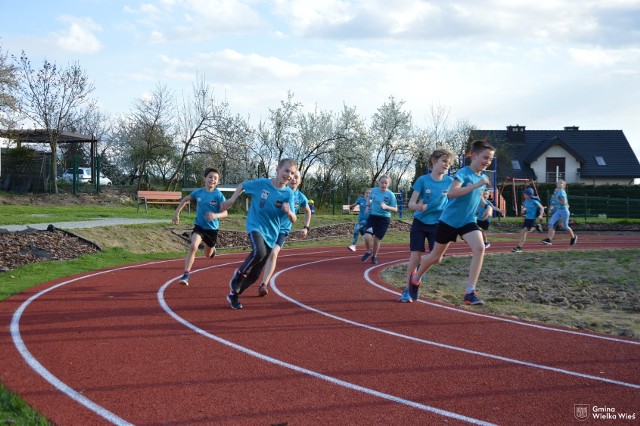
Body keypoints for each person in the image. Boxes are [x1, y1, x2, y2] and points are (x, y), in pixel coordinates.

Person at [408, 139, 496, 305]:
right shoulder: (464, 172)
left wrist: (488, 206)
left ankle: (470, 291)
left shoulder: (483, 178)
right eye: (485, 157)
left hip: (468, 221)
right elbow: (452, 193)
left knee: (480, 247)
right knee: (435, 257)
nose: (487, 162)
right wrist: (475, 185)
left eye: (490, 159)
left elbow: (477, 197)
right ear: (475, 156)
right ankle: (416, 277)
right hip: (448, 221)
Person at [220, 158, 298, 309]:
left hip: (272, 234)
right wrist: (232, 199)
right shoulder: (262, 184)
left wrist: (289, 212)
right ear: (277, 169)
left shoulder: (288, 194)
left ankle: (233, 294)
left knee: (255, 275)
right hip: (255, 226)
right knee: (259, 252)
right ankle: (238, 275)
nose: (289, 175)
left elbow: (294, 218)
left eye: (292, 173)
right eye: (286, 171)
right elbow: (242, 185)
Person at [398, 148, 454, 303]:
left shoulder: (450, 182)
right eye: (444, 161)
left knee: (437, 258)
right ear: (434, 161)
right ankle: (407, 290)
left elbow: (454, 200)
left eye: (448, 163)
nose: (446, 165)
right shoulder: (423, 180)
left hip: (438, 224)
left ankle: (421, 269)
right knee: (414, 257)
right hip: (420, 223)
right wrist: (418, 207)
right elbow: (410, 204)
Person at [257, 169, 312, 297]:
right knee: (261, 254)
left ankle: (264, 284)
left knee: (273, 254)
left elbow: (308, 211)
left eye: (297, 177)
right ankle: (250, 272)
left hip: (282, 230)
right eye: (292, 176)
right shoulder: (278, 191)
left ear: (300, 181)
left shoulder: (300, 197)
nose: (294, 179)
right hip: (268, 227)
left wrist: (306, 227)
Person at [172, 168, 228, 286]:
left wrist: (215, 215)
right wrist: (177, 213)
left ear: (217, 182)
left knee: (207, 254)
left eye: (215, 178)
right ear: (205, 179)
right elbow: (185, 199)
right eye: (210, 177)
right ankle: (186, 275)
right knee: (193, 246)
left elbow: (225, 213)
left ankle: (212, 250)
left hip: (212, 229)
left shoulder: (219, 195)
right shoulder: (198, 192)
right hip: (199, 226)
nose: (212, 180)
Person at [361, 176, 398, 264]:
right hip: (373, 217)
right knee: (367, 236)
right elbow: (368, 200)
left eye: (386, 183)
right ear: (379, 182)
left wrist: (387, 207)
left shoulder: (391, 195)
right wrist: (367, 207)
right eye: (382, 182)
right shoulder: (374, 190)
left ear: (388, 184)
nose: (383, 184)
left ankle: (374, 256)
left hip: (384, 219)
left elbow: (395, 209)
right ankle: (368, 251)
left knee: (377, 240)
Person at [542, 179, 577, 246]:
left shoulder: (562, 192)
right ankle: (548, 239)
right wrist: (551, 208)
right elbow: (553, 202)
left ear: (564, 186)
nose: (559, 184)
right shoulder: (557, 192)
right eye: (558, 183)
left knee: (565, 227)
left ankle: (573, 237)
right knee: (551, 223)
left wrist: (555, 199)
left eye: (561, 183)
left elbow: (563, 202)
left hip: (564, 211)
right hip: (559, 211)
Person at [511, 187, 545, 252]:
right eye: (524, 195)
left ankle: (519, 247)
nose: (524, 196)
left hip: (532, 219)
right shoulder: (526, 201)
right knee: (525, 232)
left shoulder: (534, 201)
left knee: (523, 232)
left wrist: (540, 215)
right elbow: (523, 210)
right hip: (527, 218)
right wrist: (522, 210)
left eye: (526, 195)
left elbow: (542, 208)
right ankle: (536, 227)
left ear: (530, 195)